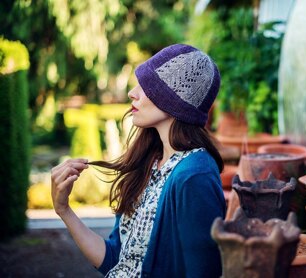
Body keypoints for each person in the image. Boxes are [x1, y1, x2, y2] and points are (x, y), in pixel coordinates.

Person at [51, 44, 226, 277]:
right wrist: (64, 210)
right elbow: (117, 258)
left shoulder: (194, 176)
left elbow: (203, 272)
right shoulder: (150, 162)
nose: (133, 92)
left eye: (147, 86)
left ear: (174, 100)